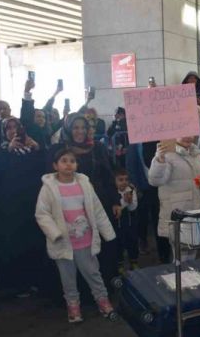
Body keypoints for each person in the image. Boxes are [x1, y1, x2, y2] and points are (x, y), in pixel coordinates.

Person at [35, 148, 116, 323]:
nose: (68, 164)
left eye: (72, 161)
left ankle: (102, 300)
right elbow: (42, 214)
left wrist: (107, 233)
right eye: (64, 161)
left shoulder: (85, 184)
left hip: (85, 242)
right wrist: (55, 233)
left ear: (77, 165)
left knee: (93, 273)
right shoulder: (48, 188)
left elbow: (96, 209)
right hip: (63, 244)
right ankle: (73, 306)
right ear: (55, 165)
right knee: (68, 278)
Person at [47, 114, 121, 288]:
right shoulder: (59, 150)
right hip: (71, 207)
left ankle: (104, 285)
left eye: (83, 127)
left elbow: (108, 175)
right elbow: (52, 179)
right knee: (79, 246)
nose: (80, 131)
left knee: (102, 245)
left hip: (99, 203)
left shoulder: (98, 147)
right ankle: (81, 289)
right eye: (75, 127)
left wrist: (115, 201)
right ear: (68, 129)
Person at [0, 116, 47, 297]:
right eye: (8, 128)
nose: (13, 131)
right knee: (17, 243)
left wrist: (37, 148)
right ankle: (20, 283)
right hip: (12, 207)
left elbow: (44, 168)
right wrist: (9, 150)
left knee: (34, 240)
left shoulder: (32, 148)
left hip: (32, 203)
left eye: (15, 127)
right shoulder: (1, 150)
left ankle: (36, 280)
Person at [147, 137, 200, 262]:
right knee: (181, 257)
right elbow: (155, 181)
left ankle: (189, 274)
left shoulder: (197, 154)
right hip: (177, 214)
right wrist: (160, 160)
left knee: (191, 253)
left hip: (195, 212)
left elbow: (199, 181)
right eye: (183, 132)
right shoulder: (166, 154)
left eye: (190, 132)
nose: (188, 136)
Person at [115, 168, 139, 273]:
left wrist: (129, 201)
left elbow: (133, 207)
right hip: (118, 224)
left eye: (126, 179)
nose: (124, 182)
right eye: (120, 180)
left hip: (130, 222)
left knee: (132, 241)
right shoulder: (113, 192)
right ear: (115, 181)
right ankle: (119, 264)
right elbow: (115, 209)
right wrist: (125, 202)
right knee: (119, 244)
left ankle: (133, 262)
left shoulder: (131, 189)